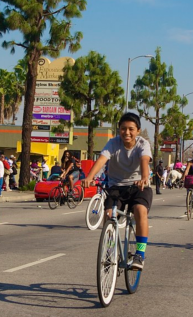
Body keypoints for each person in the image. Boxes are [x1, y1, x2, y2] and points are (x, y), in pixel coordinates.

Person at [82, 113, 152, 270]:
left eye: (131, 129)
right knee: (109, 214)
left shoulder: (143, 144)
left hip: (138, 186)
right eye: (123, 129)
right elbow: (101, 159)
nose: (127, 132)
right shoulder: (113, 143)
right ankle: (109, 250)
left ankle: (140, 255)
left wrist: (144, 178)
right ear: (119, 130)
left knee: (140, 210)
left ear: (138, 131)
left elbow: (144, 160)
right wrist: (90, 177)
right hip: (116, 188)